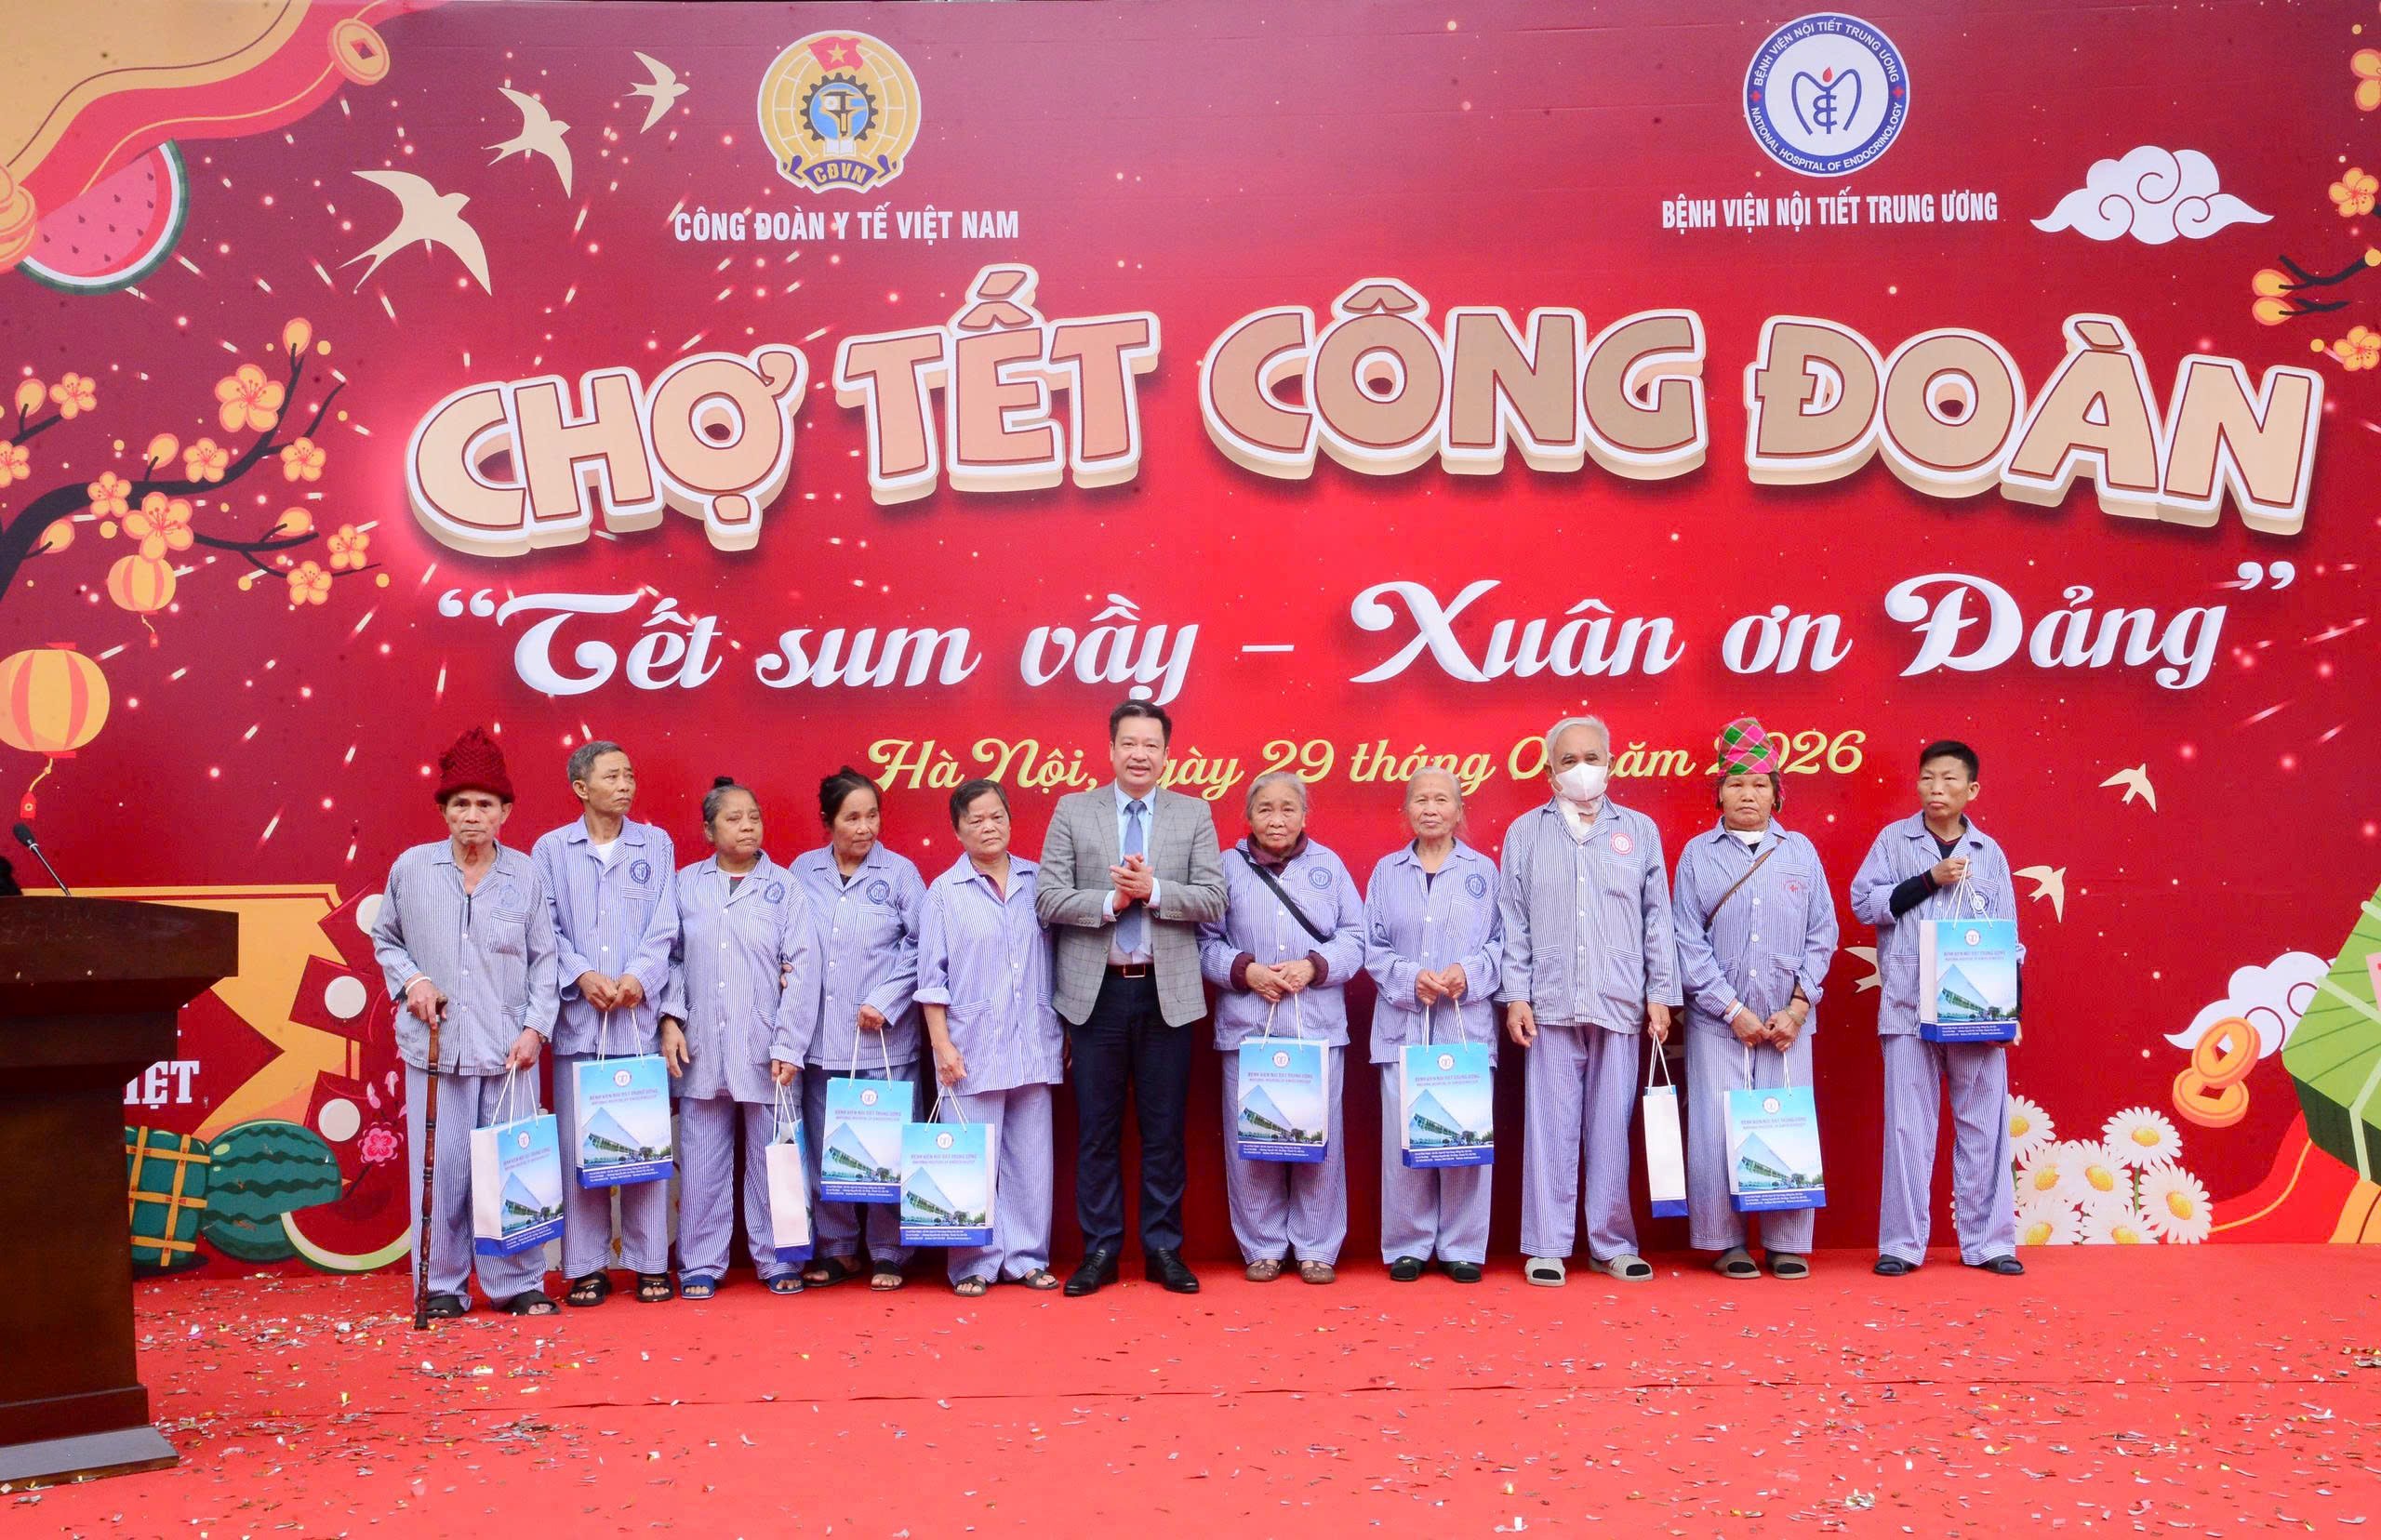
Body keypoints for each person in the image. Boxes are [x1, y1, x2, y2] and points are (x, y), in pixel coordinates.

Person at [1036, 701, 1227, 1297]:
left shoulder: (1193, 813)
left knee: (1164, 1130)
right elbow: (1047, 898)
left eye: (1151, 745)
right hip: (1095, 996)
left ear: (1166, 754)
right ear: (1111, 750)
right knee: (1096, 1130)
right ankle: (1099, 1250)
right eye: (1129, 743)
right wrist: (1110, 902)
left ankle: (1164, 1248)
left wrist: (1155, 890)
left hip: (1167, 994)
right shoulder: (1074, 810)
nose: (1139, 754)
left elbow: (1215, 898)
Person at [368, 726, 560, 1318]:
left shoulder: (527, 875)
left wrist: (535, 1029)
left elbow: (546, 961)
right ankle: (444, 1285)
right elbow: (386, 939)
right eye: (460, 804)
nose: (472, 816)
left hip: (509, 1051)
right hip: (437, 1049)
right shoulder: (412, 868)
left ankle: (517, 1283)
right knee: (442, 1172)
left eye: (484, 805)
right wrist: (414, 982)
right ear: (443, 811)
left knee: (512, 1170)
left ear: (505, 813)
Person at [1498, 715, 1679, 1286]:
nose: (1582, 769)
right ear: (1550, 771)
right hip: (1549, 1003)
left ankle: (1612, 1243)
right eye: (1570, 760)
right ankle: (1546, 1245)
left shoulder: (1639, 831)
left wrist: (1661, 994)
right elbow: (1513, 921)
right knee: (1549, 1130)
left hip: (1619, 1000)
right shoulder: (1525, 833)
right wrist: (1515, 995)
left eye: (1592, 758)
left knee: (1610, 1131)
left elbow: (1658, 917)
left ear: (1611, 763)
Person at [1670, 718, 1840, 1281]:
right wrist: (1732, 1009)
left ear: (1776, 793)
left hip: (1789, 1022)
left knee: (1783, 1123)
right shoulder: (1697, 855)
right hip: (1720, 1023)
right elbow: (1686, 939)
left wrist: (1798, 1007)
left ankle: (1786, 1241)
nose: (1748, 794)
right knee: (1718, 1128)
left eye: (1760, 784)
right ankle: (1725, 1242)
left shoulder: (1800, 852)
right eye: (1737, 783)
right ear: (1718, 791)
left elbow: (1823, 933)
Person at [1849, 738, 2025, 1277]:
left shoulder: (1989, 853)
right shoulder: (1892, 840)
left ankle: (1989, 1243)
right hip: (1907, 1009)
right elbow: (1863, 904)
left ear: (1972, 789)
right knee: (1908, 1130)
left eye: (1949, 779)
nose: (1936, 788)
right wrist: (1930, 880)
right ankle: (1902, 1245)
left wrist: (2011, 1012)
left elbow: (2010, 938)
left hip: (1977, 1014)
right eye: (1927, 778)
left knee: (1984, 1128)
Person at [1197, 771, 1366, 1284]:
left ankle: (1317, 1247)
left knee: (1318, 1144)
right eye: (1265, 809)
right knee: (1254, 1141)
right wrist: (1245, 971)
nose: (1277, 819)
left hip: (1316, 1028)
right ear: (1248, 816)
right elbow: (1203, 941)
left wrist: (1314, 966)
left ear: (1304, 815)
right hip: (1249, 1029)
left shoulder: (1328, 865)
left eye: (1288, 808)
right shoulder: (1225, 867)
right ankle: (1263, 1246)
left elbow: (1356, 938)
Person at [530, 740, 680, 1308]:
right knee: (582, 1148)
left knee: (642, 1148)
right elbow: (544, 927)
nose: (624, 785)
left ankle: (649, 1263)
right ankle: (586, 1265)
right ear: (581, 788)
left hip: (637, 1022)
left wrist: (640, 975)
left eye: (629, 775)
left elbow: (666, 924)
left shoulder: (655, 844)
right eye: (612, 776)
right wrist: (582, 974)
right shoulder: (550, 850)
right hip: (579, 1021)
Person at [658, 777, 820, 1298]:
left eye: (754, 816)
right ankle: (701, 1262)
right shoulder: (685, 885)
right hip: (701, 1044)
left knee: (777, 1156)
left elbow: (803, 969)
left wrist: (789, 1043)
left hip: (767, 1045)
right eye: (734, 818)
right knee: (702, 1158)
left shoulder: (785, 888)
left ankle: (779, 1258)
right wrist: (669, 1020)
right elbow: (671, 958)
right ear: (709, 830)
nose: (748, 826)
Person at [914, 780, 1064, 1295]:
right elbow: (930, 978)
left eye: (997, 816)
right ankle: (972, 1263)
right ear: (957, 831)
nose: (989, 827)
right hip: (970, 1044)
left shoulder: (1038, 881)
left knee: (1030, 1160)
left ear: (1011, 819)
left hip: (1034, 1038)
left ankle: (1025, 1257)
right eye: (975, 820)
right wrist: (941, 1044)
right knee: (971, 1157)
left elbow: (1061, 959)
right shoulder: (944, 892)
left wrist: (1064, 1025)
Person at [1362, 767, 1504, 1282]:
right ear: (1406, 810)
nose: (1430, 808)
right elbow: (1371, 945)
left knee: (1464, 1138)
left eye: (1441, 799)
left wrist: (1469, 972)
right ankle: (1408, 1245)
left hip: (1464, 1026)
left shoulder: (1484, 871)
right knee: (1405, 1138)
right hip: (1403, 1025)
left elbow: (1504, 943)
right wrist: (1408, 977)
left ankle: (1462, 1245)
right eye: (1420, 799)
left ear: (1459, 811)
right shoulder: (1387, 871)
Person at [791, 766, 928, 1291]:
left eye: (872, 815)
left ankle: (891, 1250)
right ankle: (839, 1248)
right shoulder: (803, 872)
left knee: (889, 1147)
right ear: (827, 821)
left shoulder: (900, 874)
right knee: (834, 1148)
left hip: (885, 1038)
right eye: (852, 818)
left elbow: (923, 947)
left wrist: (885, 999)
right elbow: (786, 938)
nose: (865, 827)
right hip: (823, 1037)